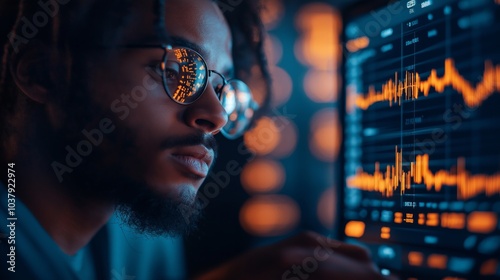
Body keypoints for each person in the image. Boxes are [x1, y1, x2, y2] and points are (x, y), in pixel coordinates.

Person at [0, 0, 391, 279]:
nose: (217, 116)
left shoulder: (140, 234)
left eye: (223, 88)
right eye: (177, 70)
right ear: (43, 74)